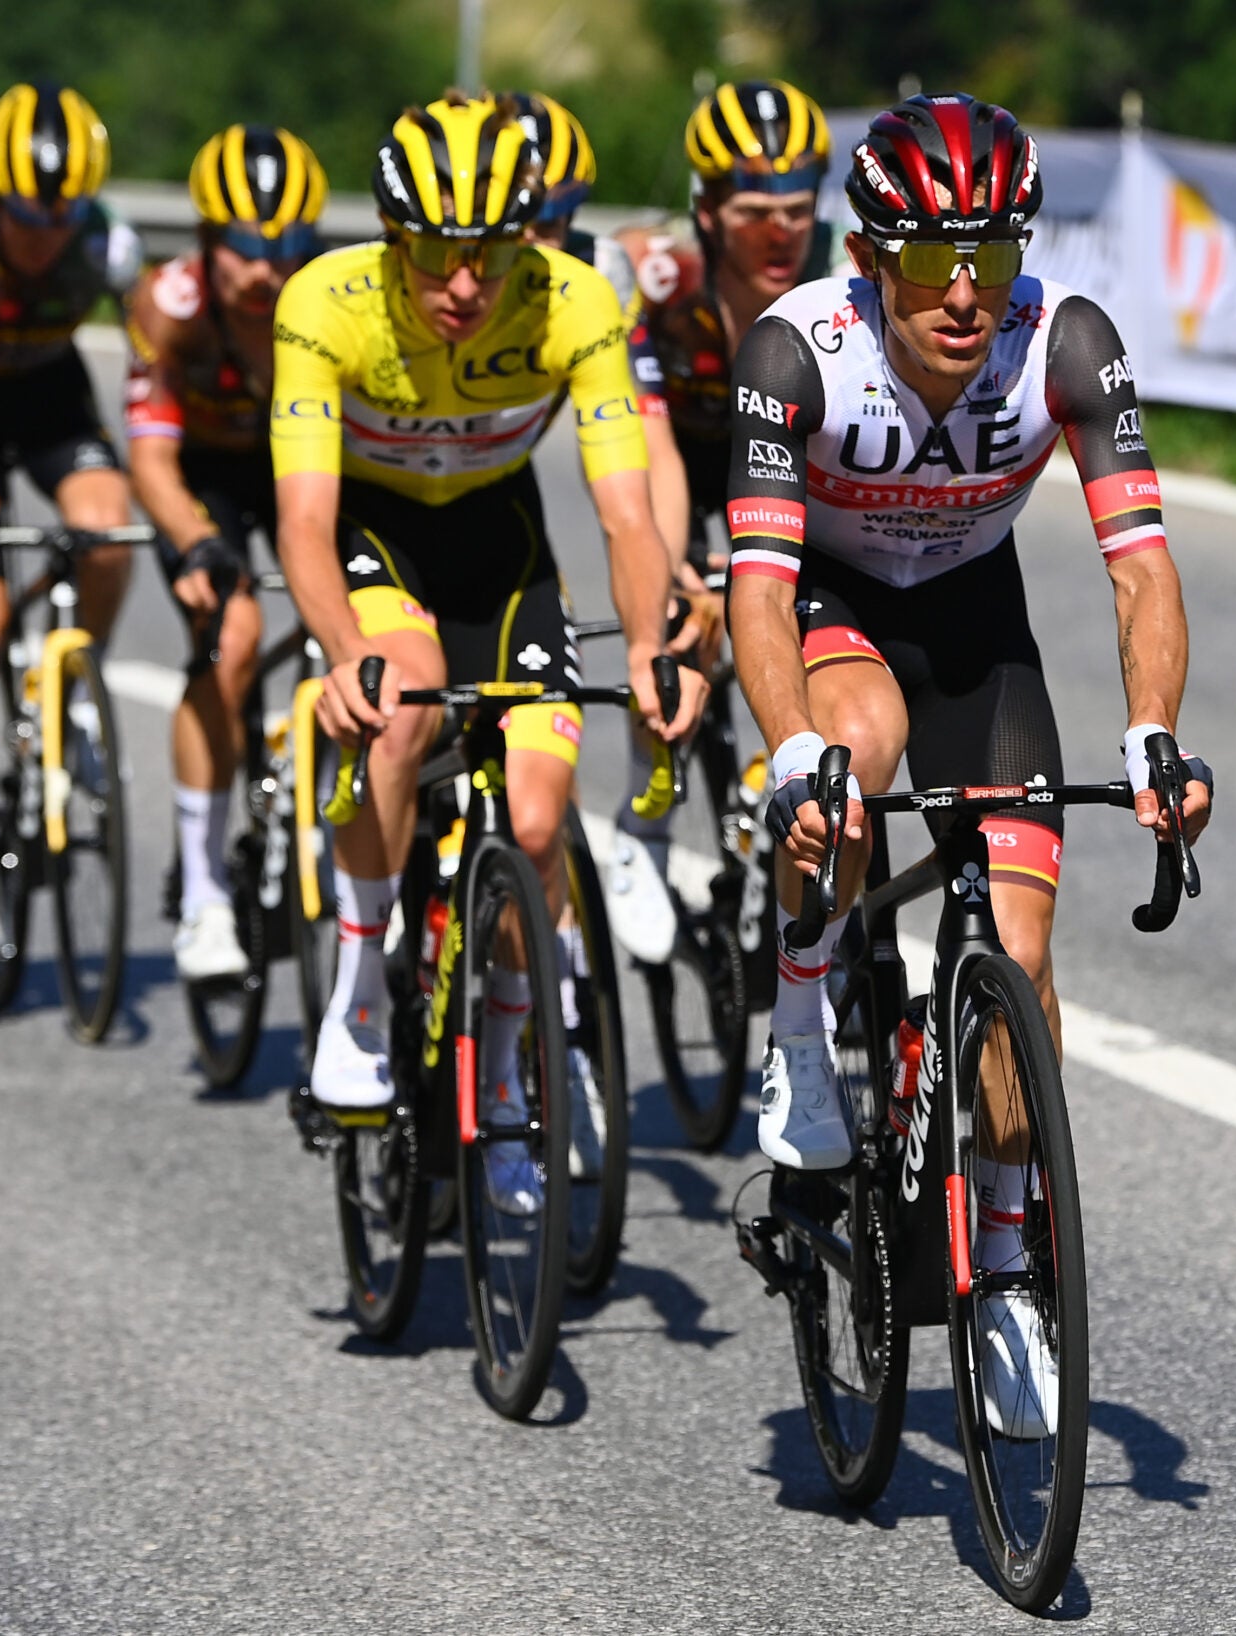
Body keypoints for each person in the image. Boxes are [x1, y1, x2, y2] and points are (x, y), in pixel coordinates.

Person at [724, 93, 1212, 1436]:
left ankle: (1004, 1272)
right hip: (830, 602)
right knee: (855, 755)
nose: (960, 295)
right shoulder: (797, 350)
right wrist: (793, 753)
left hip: (975, 630)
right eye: (930, 261)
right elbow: (758, 589)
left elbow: (1142, 568)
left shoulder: (1065, 342)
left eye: (990, 260)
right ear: (870, 257)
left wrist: (1153, 729)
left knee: (1025, 954)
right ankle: (804, 1014)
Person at [270, 94, 705, 1216]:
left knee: (539, 819)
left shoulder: (575, 303)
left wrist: (651, 644)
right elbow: (304, 522)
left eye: (493, 252)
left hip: (500, 550)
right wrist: (338, 650)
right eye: (437, 254)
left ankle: (509, 1069)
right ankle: (364, 985)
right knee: (401, 708)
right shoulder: (326, 302)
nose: (465, 284)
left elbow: (625, 518)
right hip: (375, 538)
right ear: (389, 232)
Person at [0, 81, 142, 958]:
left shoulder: (110, 247)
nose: (46, 237)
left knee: (110, 526)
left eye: (62, 218)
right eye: (27, 217)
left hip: (50, 400)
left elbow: (153, 380)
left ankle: (77, 693)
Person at [601, 79, 834, 939]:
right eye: (750, 210)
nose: (779, 231)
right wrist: (676, 577)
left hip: (788, 474)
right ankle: (645, 826)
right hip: (685, 466)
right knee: (676, 616)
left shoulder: (847, 283)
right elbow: (649, 458)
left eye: (797, 207)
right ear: (703, 208)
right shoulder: (662, 289)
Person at [124, 123, 327, 979]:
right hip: (201, 475)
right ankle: (204, 892)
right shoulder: (167, 308)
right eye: (245, 247)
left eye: (284, 247)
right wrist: (199, 543)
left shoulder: (327, 301)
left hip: (299, 463)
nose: (264, 270)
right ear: (209, 241)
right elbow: (149, 459)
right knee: (234, 635)